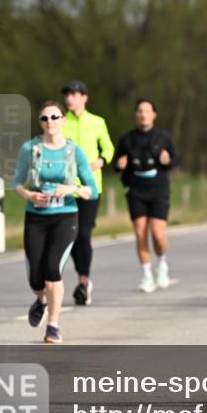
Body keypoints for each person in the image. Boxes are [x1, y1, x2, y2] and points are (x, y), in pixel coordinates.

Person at [13, 101, 98, 343]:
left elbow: (92, 189)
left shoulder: (74, 152)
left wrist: (70, 189)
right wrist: (30, 195)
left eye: (54, 117)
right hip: (36, 217)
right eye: (44, 118)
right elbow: (17, 182)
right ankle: (40, 299)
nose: (49, 122)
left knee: (53, 269)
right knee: (35, 278)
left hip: (65, 216)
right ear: (40, 122)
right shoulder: (29, 149)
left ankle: (53, 325)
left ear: (63, 120)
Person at [113, 99, 177, 293]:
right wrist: (119, 165)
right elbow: (115, 163)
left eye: (147, 111)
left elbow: (174, 160)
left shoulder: (163, 138)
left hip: (158, 189)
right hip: (136, 189)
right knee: (140, 232)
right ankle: (147, 275)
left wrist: (167, 161)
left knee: (158, 234)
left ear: (154, 114)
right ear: (136, 115)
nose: (143, 114)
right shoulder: (127, 139)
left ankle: (162, 264)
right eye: (140, 111)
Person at [61, 80, 115, 307]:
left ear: (85, 97)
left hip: (91, 187)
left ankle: (84, 281)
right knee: (68, 237)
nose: (69, 98)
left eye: (74, 94)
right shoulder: (61, 122)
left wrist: (101, 162)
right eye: (67, 95)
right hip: (66, 188)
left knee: (83, 234)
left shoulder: (97, 122)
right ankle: (82, 278)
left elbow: (109, 148)